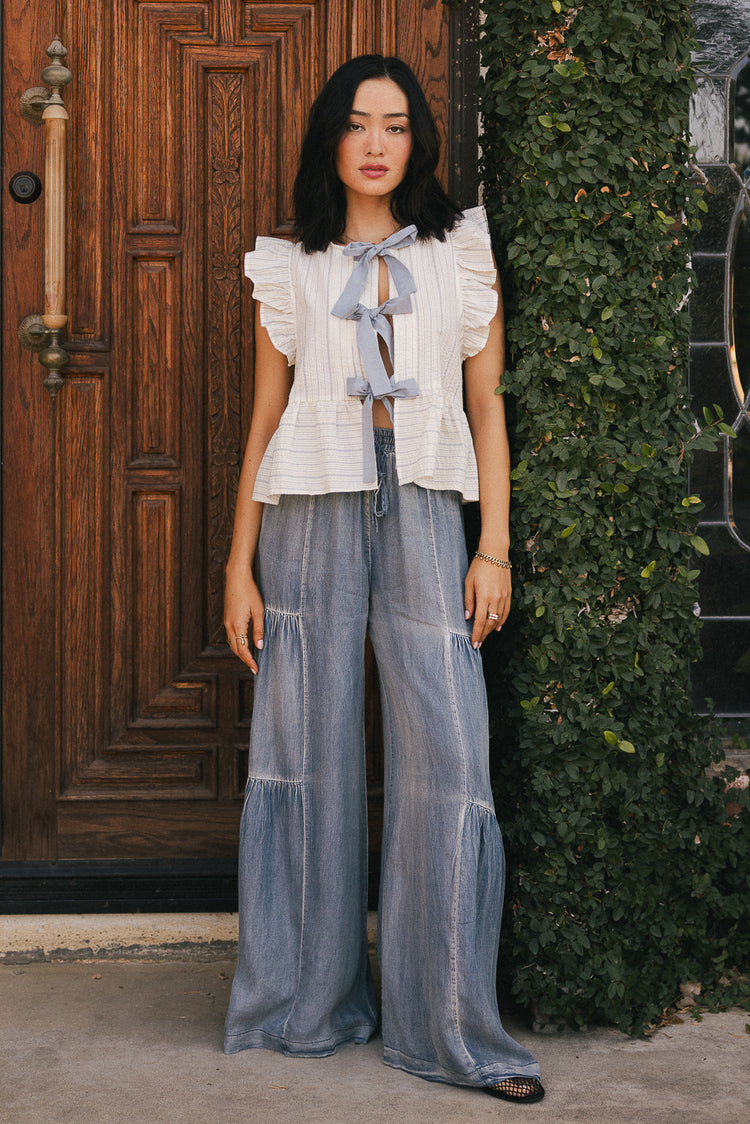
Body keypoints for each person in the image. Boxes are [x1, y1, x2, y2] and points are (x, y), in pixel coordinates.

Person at [223, 54, 544, 1105]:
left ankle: (449, 1024)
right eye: (357, 124)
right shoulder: (292, 266)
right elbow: (264, 424)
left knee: (449, 758)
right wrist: (239, 563)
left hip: (422, 508)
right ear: (330, 139)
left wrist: (492, 543)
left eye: (396, 125)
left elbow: (486, 405)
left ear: (419, 143)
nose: (375, 142)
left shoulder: (461, 253)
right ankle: (302, 1004)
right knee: (303, 755)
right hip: (308, 507)